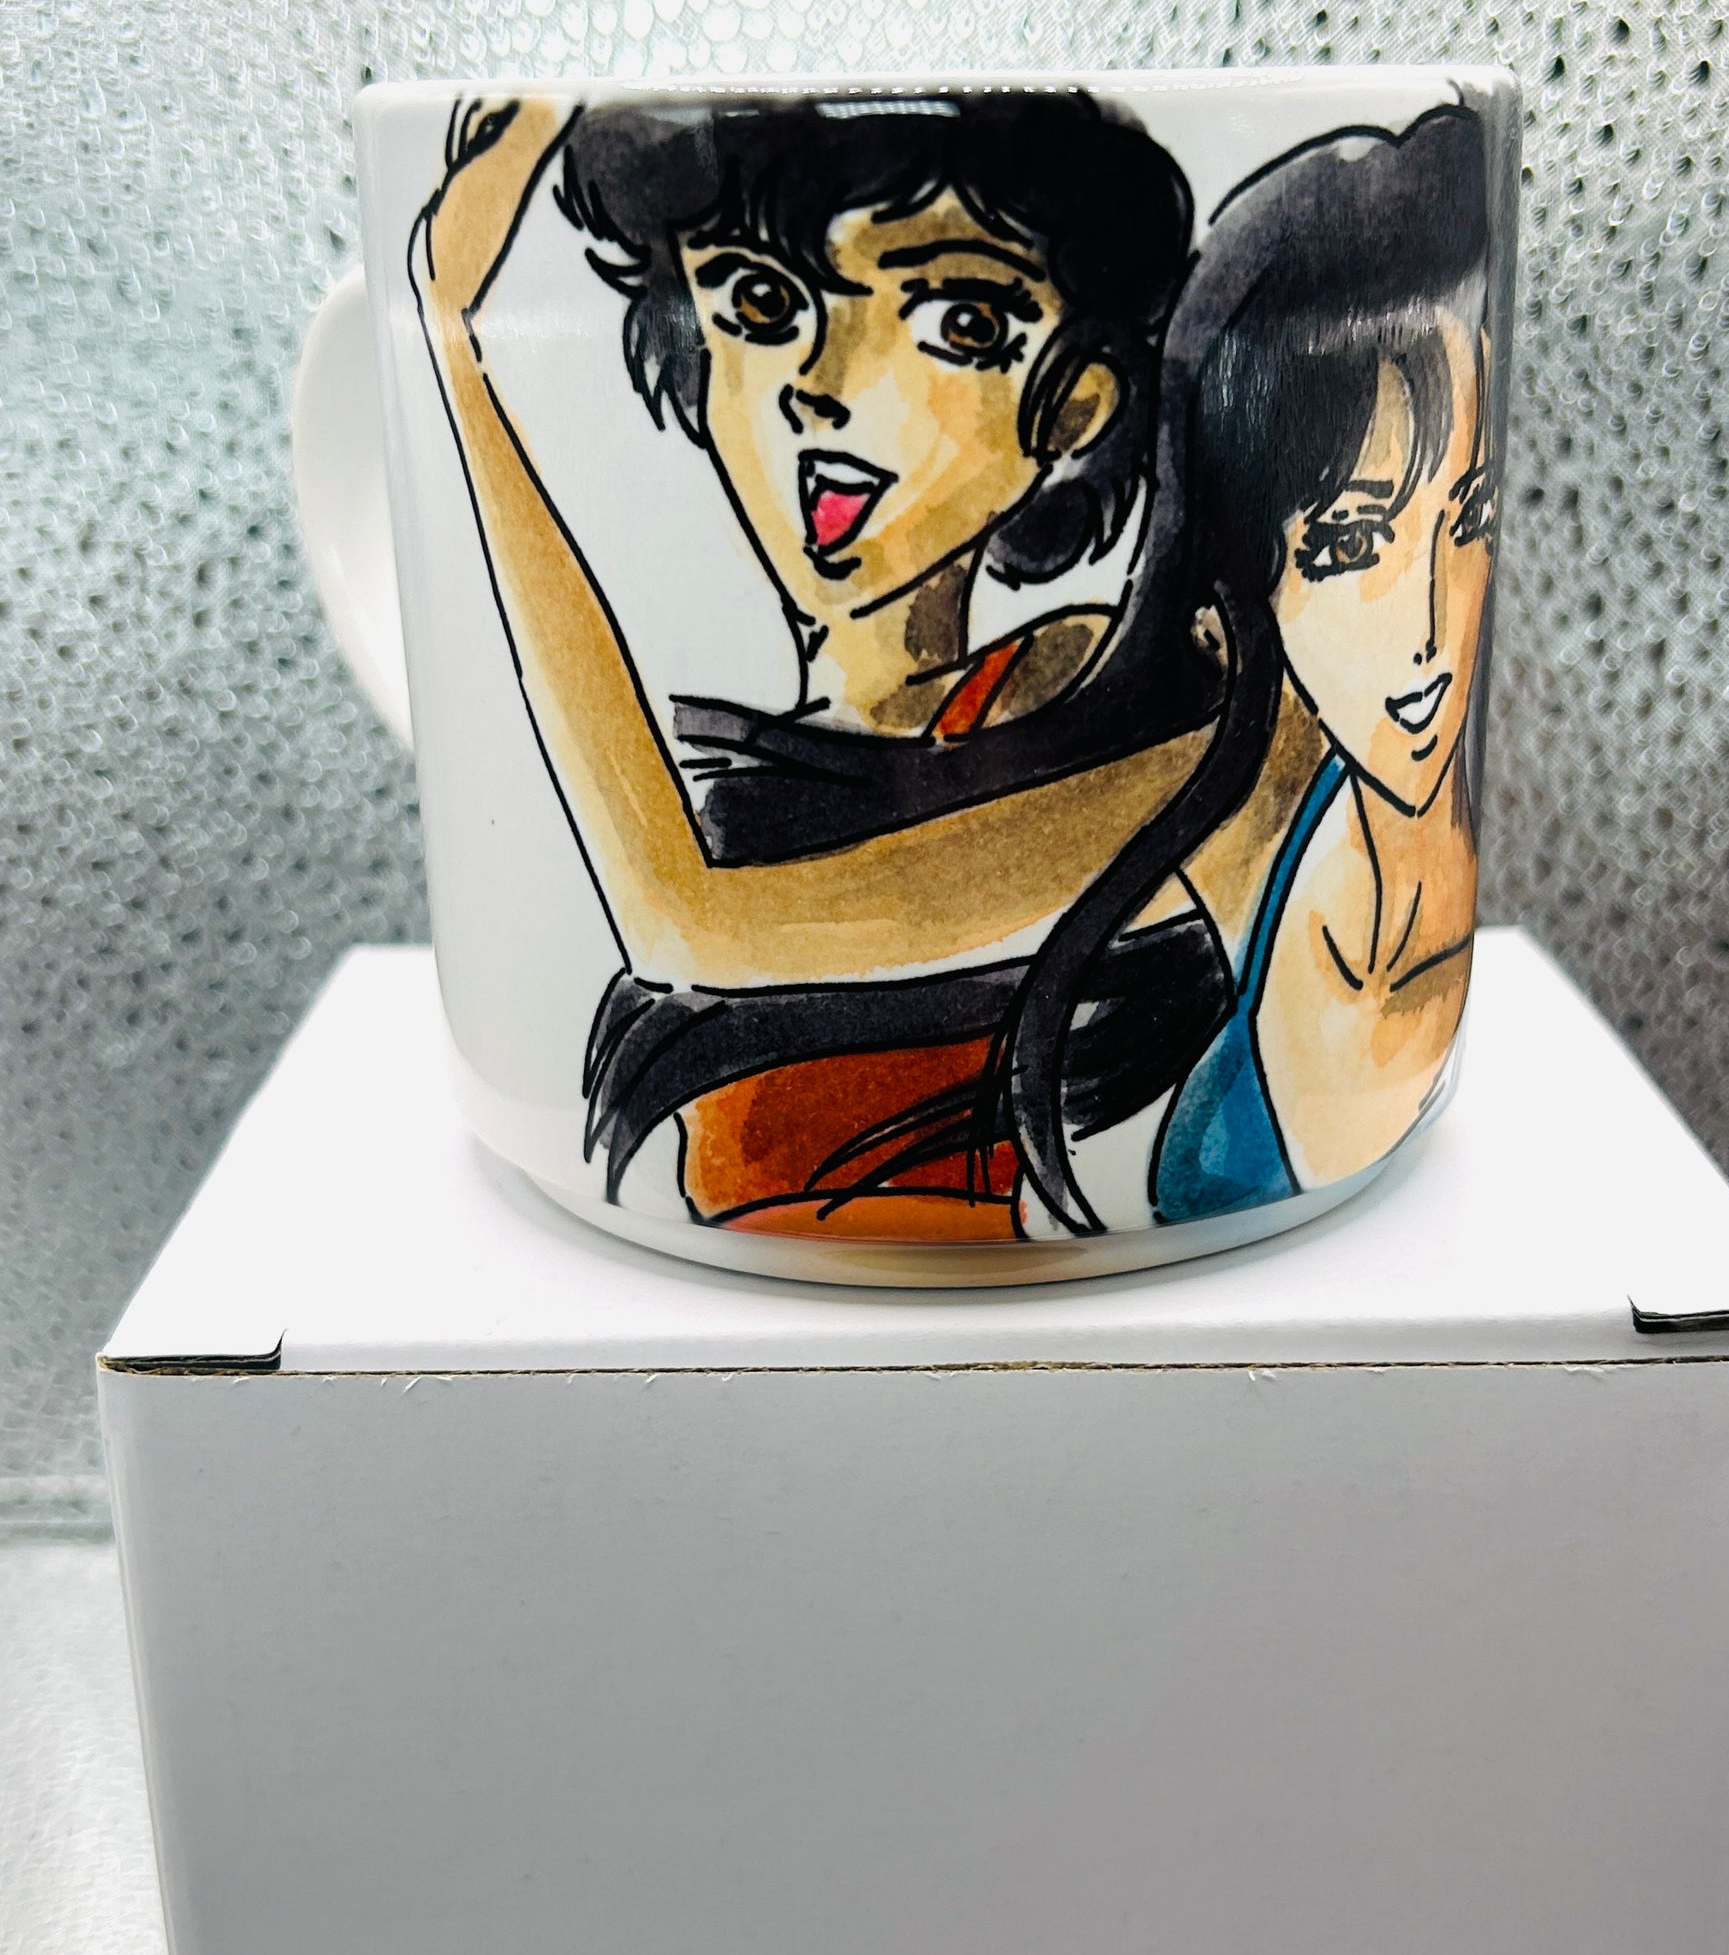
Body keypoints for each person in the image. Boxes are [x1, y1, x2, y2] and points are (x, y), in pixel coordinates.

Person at [410, 92, 1212, 1241]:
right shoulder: (747, 779)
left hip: (1026, 1331)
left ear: (1076, 403)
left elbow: (682, 918)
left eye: (957, 320)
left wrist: (458, 356)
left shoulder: (1100, 698)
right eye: (759, 303)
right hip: (682, 1334)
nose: (823, 382)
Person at [1001, 102, 1503, 1232]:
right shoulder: (1250, 814)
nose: (1428, 625)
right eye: (1351, 543)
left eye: (1469, 515)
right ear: (1249, 573)